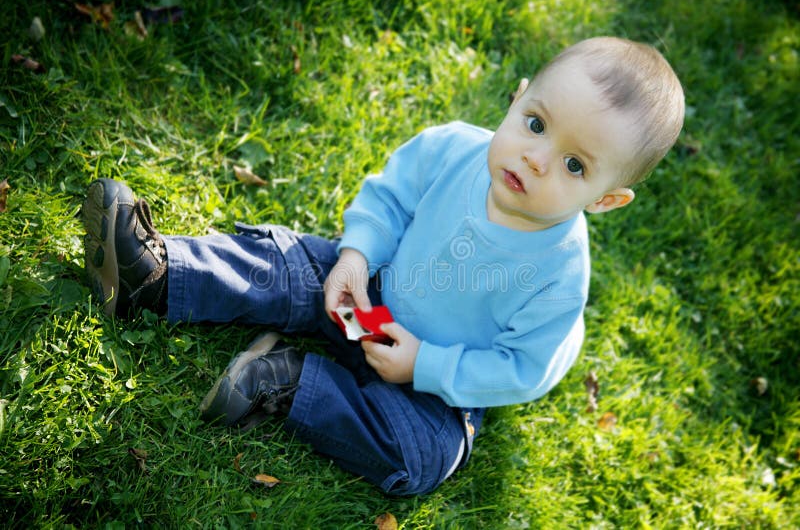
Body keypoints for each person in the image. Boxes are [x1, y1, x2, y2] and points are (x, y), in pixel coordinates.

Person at [81, 36, 684, 495]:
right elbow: (391, 199)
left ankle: (287, 385)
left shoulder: (560, 274)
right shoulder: (454, 150)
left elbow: (525, 368)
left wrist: (429, 365)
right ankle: (158, 276)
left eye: (576, 165)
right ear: (518, 96)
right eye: (536, 124)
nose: (538, 159)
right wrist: (356, 254)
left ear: (605, 200)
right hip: (368, 293)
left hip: (436, 386)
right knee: (291, 266)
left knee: (421, 456)